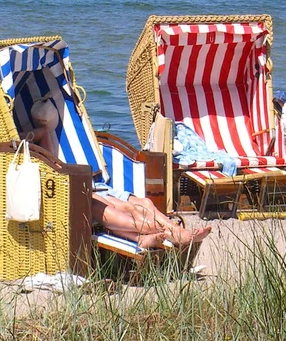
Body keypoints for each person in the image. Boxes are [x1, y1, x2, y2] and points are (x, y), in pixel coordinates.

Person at [24, 97, 212, 249]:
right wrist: (37, 132)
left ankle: (145, 239)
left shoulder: (46, 142)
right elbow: (45, 151)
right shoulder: (40, 145)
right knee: (127, 213)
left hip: (93, 187)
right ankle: (175, 233)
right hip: (79, 195)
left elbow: (45, 141)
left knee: (143, 203)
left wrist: (39, 130)